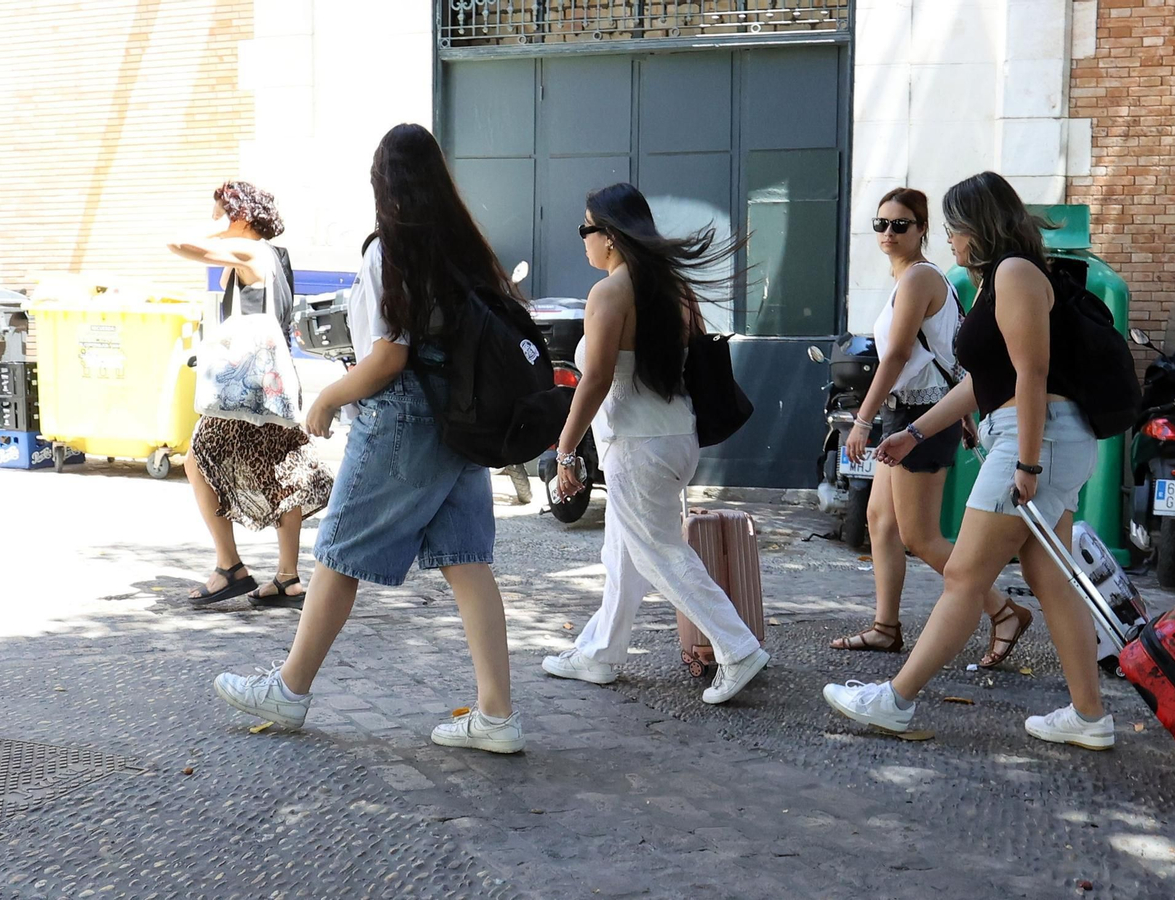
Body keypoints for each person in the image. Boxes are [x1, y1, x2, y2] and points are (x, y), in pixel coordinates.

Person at [212, 124, 524, 754]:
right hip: (460, 425)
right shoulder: (466, 250)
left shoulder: (391, 252)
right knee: (468, 565)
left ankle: (290, 689)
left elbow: (387, 358)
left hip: (401, 420)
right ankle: (497, 715)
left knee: (336, 553)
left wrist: (327, 397)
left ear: (384, 184)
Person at [823, 172, 1113, 750]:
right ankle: (1089, 716)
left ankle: (895, 701)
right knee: (1048, 577)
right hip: (1036, 439)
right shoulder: (998, 280)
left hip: (1036, 441)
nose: (951, 241)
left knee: (963, 576)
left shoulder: (1015, 275)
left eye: (955, 228)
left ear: (978, 228)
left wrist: (1026, 465)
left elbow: (1032, 375)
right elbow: (987, 379)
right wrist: (913, 430)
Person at [540, 183, 769, 705]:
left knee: (661, 553)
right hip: (674, 437)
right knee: (623, 552)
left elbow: (595, 379)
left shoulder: (610, 293)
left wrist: (566, 449)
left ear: (612, 237)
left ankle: (737, 647)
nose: (582, 240)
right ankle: (601, 654)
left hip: (637, 444)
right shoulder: (673, 288)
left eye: (585, 228)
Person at [829, 188, 1032, 667]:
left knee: (920, 536)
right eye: (881, 224)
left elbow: (898, 355)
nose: (889, 234)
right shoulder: (916, 278)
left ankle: (1003, 610)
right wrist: (962, 415)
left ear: (922, 230)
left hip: (917, 417)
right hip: (913, 412)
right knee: (880, 522)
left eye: (901, 224)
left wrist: (862, 422)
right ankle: (886, 627)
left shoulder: (919, 277)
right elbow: (951, 355)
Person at [167, 182, 332, 610]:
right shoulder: (273, 256)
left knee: (196, 461)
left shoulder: (251, 252)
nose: (216, 220)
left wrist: (220, 225)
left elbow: (178, 242)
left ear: (239, 215)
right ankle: (287, 579)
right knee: (283, 473)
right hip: (269, 389)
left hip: (248, 389)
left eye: (221, 211)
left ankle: (230, 567)